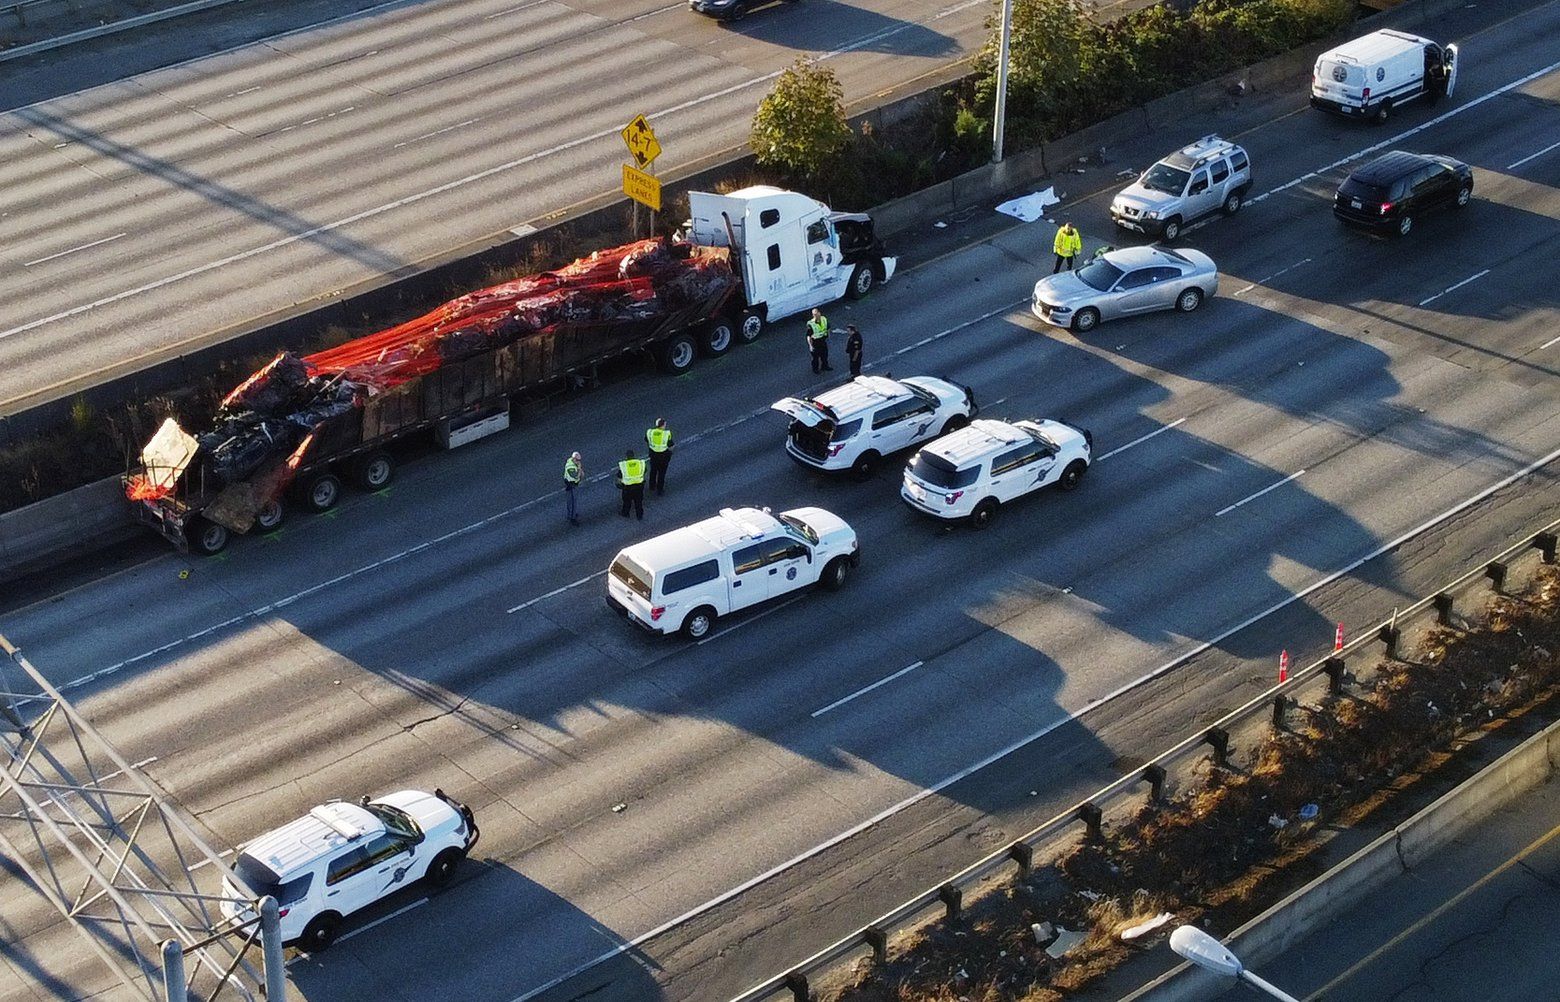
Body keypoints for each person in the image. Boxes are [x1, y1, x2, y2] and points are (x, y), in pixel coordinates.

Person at [645, 417, 674, 495]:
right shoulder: (666, 434)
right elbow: (671, 445)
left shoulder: (650, 432)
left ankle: (652, 486)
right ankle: (659, 490)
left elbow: (646, 440)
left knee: (653, 470)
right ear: (663, 425)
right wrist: (670, 453)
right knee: (661, 473)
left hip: (653, 455)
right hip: (663, 456)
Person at [616, 449, 646, 521]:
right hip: (639, 486)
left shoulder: (624, 466)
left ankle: (625, 513)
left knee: (627, 502)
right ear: (633, 456)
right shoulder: (640, 463)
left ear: (627, 457)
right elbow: (645, 471)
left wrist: (619, 484)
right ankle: (639, 515)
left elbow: (619, 477)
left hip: (628, 488)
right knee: (638, 502)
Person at [806, 308, 832, 373]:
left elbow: (828, 327)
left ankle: (825, 366)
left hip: (823, 340)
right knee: (815, 358)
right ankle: (815, 369)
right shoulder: (811, 324)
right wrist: (810, 346)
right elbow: (808, 336)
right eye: (815, 315)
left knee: (825, 355)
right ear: (813, 315)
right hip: (815, 342)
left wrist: (828, 336)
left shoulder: (824, 319)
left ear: (819, 313)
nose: (817, 316)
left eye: (817, 314)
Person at [563, 451, 583, 526]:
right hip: (571, 485)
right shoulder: (570, 467)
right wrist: (579, 468)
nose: (579, 462)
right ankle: (572, 517)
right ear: (574, 459)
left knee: (570, 500)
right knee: (573, 501)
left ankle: (571, 514)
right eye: (577, 460)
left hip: (571, 484)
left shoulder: (572, 462)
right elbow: (576, 476)